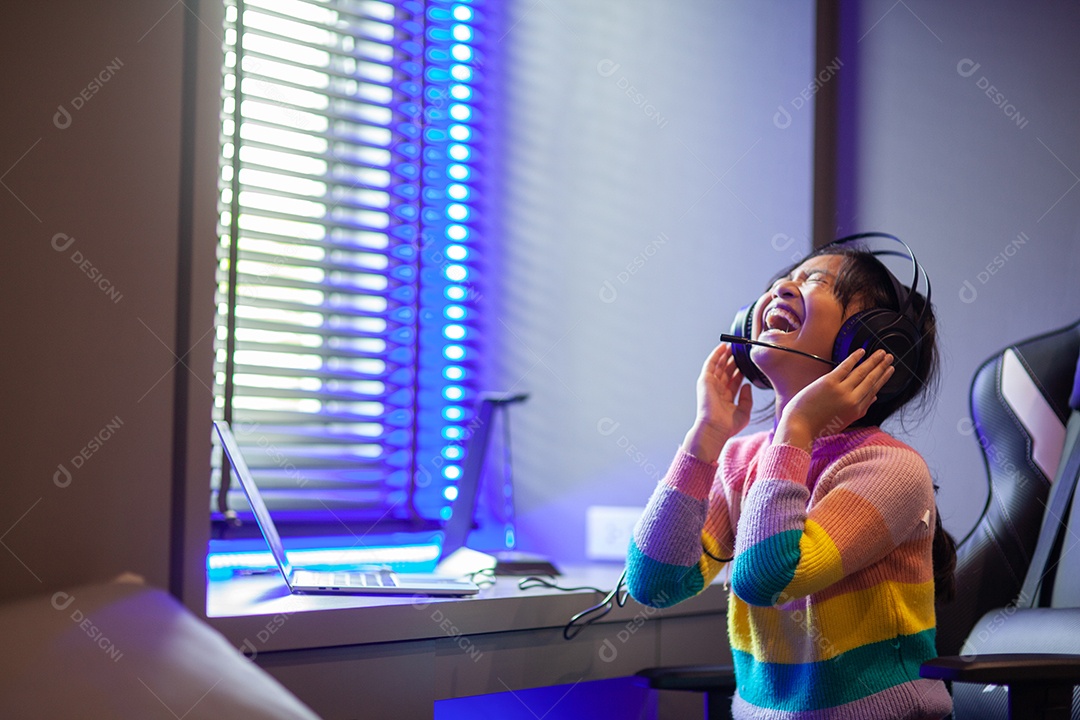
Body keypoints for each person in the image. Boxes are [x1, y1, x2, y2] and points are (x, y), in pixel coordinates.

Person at [626, 242, 956, 719]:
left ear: (868, 344)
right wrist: (706, 437)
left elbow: (768, 579)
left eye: (816, 282)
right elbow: (655, 583)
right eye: (788, 278)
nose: (783, 288)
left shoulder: (890, 469)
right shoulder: (743, 458)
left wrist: (796, 428)